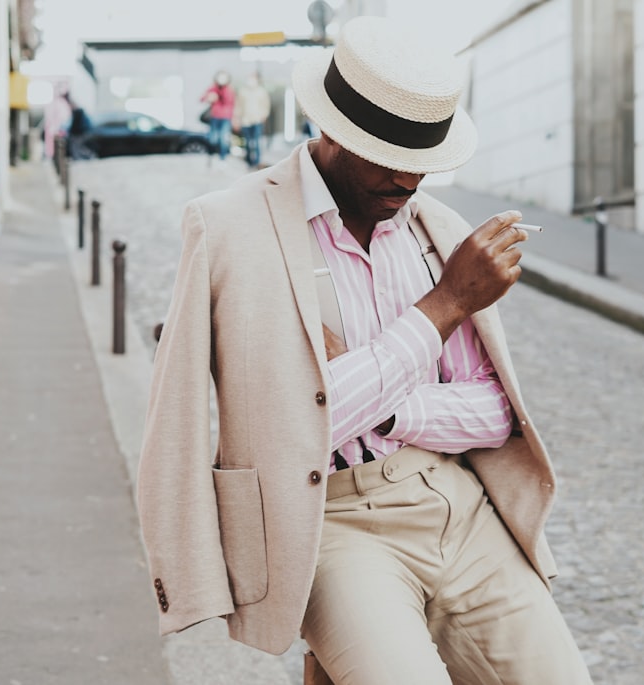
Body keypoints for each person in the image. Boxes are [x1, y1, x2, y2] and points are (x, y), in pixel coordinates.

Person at [136, 16, 593, 685]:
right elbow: (266, 426)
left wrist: (370, 395)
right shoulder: (229, 225)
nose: (409, 179)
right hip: (328, 521)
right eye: (389, 154)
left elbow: (493, 412)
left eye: (423, 159)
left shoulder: (438, 230)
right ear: (333, 129)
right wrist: (440, 310)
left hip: (455, 504)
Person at [236, 72, 271, 169]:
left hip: (257, 120)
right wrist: (237, 118)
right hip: (246, 120)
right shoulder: (243, 91)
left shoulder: (261, 91)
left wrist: (264, 116)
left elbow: (266, 105)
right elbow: (238, 106)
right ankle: (248, 160)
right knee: (248, 142)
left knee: (256, 141)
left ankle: (256, 161)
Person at [201, 70, 236, 161]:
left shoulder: (229, 90)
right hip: (215, 117)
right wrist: (209, 97)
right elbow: (202, 98)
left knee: (224, 139)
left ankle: (222, 158)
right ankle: (211, 155)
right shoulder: (213, 88)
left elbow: (230, 102)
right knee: (213, 139)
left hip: (226, 118)